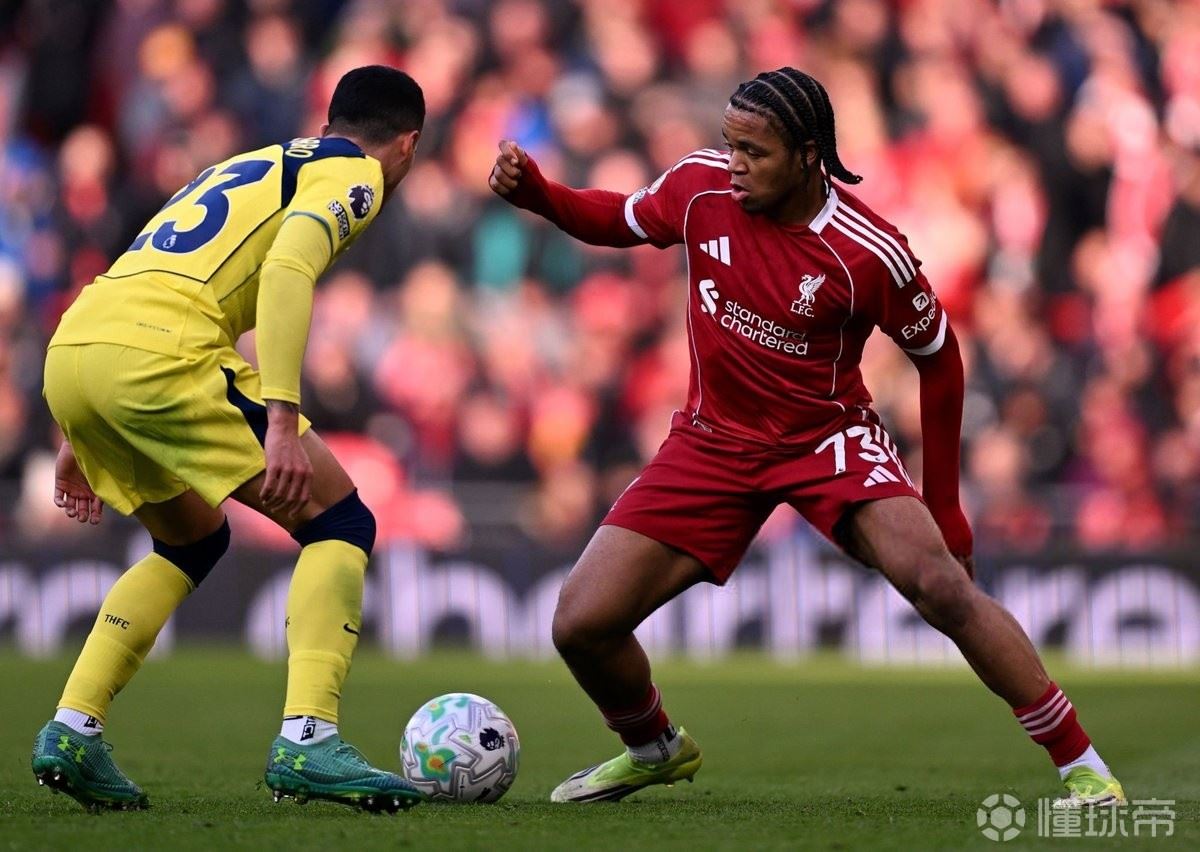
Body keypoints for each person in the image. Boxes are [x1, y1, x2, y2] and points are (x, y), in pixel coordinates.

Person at [490, 67, 1124, 807]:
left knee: (940, 585)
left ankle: (1082, 763)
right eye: (730, 145)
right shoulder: (700, 189)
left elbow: (940, 360)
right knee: (580, 624)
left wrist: (946, 506)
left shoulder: (867, 251)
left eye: (753, 152)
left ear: (807, 155)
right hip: (712, 441)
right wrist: (540, 194)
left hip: (825, 440)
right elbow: (618, 218)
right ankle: (654, 747)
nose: (734, 164)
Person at [33, 65, 425, 814]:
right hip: (162, 353)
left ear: (326, 124)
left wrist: (81, 427)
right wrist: (281, 417)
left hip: (80, 347)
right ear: (406, 144)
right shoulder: (360, 175)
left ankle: (73, 728)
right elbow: (288, 269)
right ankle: (309, 736)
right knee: (340, 521)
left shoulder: (254, 162)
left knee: (191, 540)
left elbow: (150, 265)